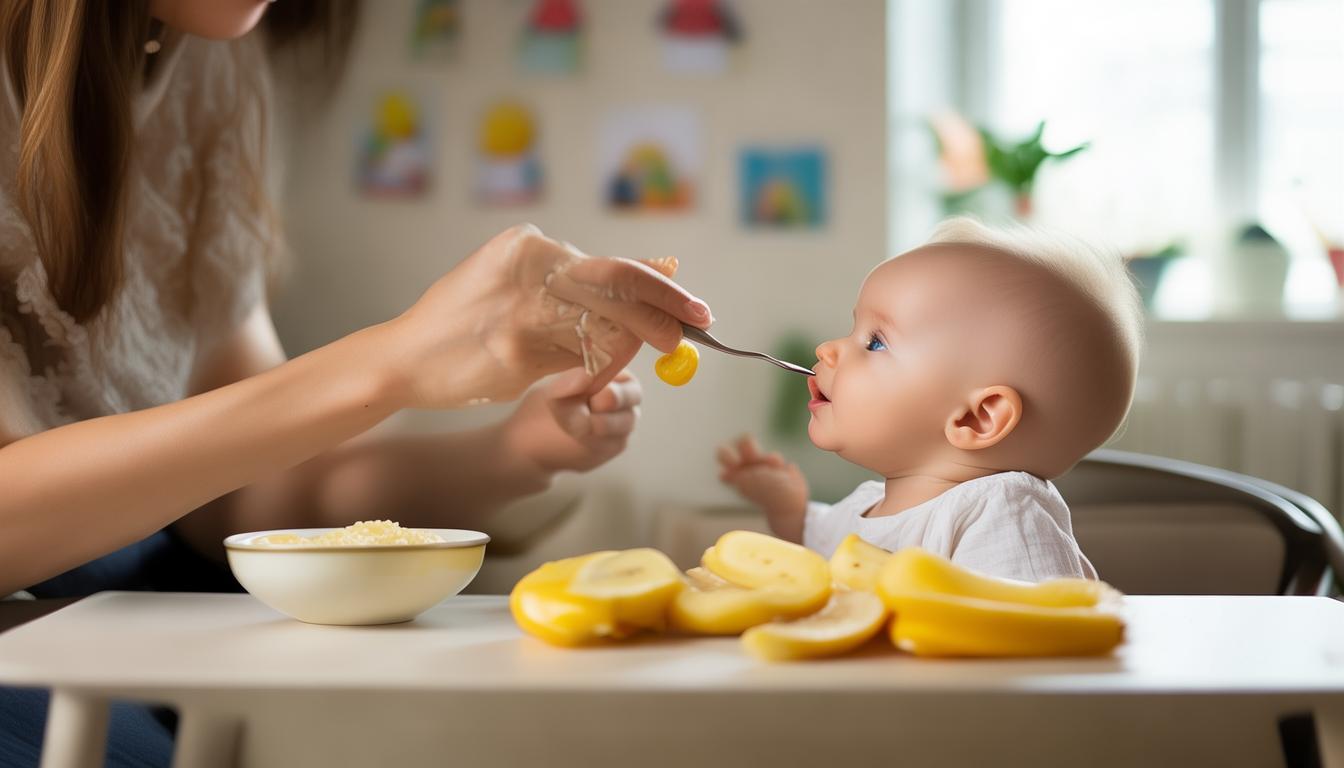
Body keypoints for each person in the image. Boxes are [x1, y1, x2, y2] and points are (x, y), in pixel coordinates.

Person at [0, 2, 713, 764]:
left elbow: (246, 493)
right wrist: (390, 360)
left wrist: (513, 453)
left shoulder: (209, 60)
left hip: (144, 614)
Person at [717, 216, 1143, 581]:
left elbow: (1035, 630)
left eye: (875, 342)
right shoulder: (866, 506)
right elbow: (817, 551)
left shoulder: (1000, 512)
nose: (829, 348)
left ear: (977, 418)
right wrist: (787, 508)